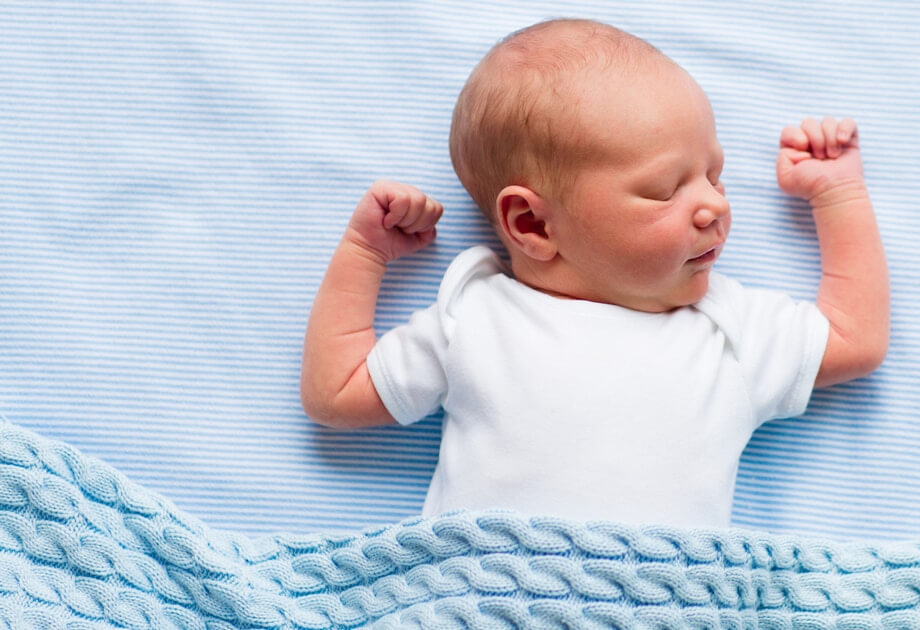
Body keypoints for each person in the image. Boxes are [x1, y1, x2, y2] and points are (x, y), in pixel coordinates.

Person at [300, 19, 889, 528]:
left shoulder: (729, 330)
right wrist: (365, 254)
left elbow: (854, 339)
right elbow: (336, 394)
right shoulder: (477, 318)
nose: (715, 205)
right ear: (532, 224)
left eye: (714, 175)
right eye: (665, 190)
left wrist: (838, 197)